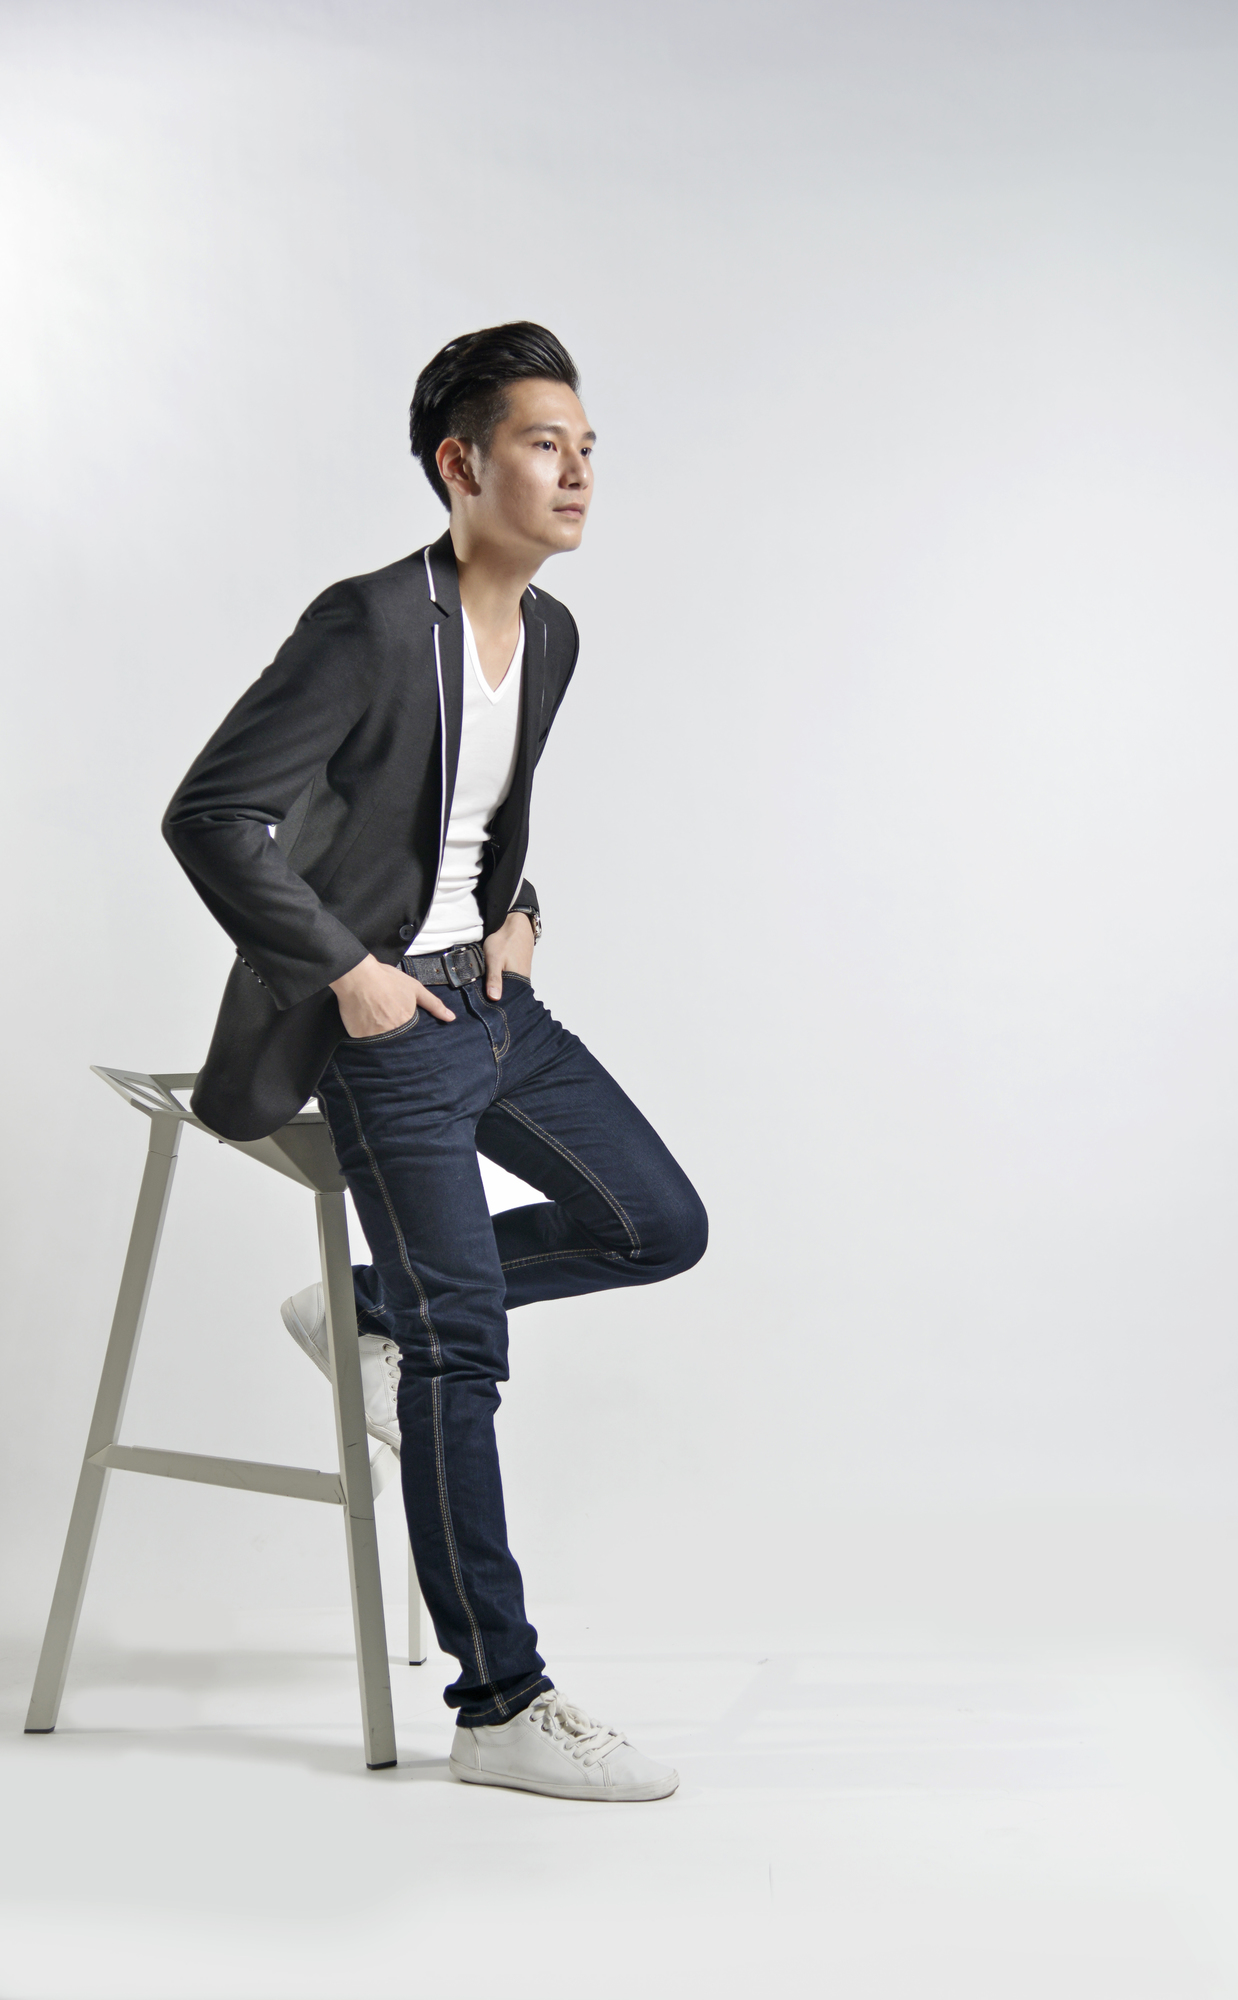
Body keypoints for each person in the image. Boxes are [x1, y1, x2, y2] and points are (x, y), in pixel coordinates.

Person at [163, 322, 707, 1801]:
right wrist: (350, 976)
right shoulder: (364, 624)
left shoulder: (556, 634)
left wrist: (520, 917)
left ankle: (361, 1309)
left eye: (587, 447)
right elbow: (212, 816)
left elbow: (470, 820)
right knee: (464, 1349)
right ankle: (500, 1705)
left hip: (497, 1007)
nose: (577, 471)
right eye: (544, 443)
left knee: (656, 1224)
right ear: (459, 465)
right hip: (389, 1025)